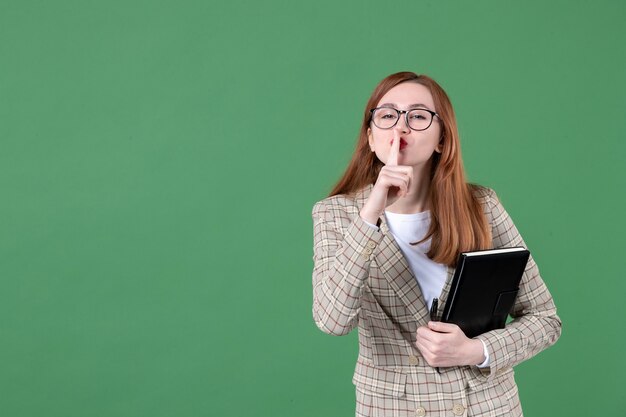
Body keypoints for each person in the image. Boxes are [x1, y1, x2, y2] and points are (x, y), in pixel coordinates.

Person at [311, 71, 561, 417]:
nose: (401, 128)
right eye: (387, 116)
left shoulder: (481, 206)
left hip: (485, 406)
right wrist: (372, 213)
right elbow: (332, 320)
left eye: (417, 116)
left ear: (442, 138)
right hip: (395, 408)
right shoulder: (336, 214)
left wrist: (476, 350)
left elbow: (545, 319)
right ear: (370, 137)